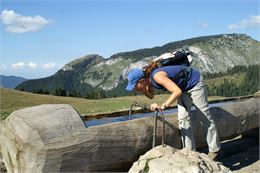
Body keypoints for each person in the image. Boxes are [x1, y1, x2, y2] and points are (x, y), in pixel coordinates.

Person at [125, 65, 220, 160]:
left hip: (195, 82)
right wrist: (144, 91)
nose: (135, 89)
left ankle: (214, 150)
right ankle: (190, 152)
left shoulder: (157, 76)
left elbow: (176, 91)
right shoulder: (149, 80)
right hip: (183, 88)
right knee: (183, 119)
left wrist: (164, 105)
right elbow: (151, 96)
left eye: (135, 85)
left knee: (204, 115)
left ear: (141, 80)